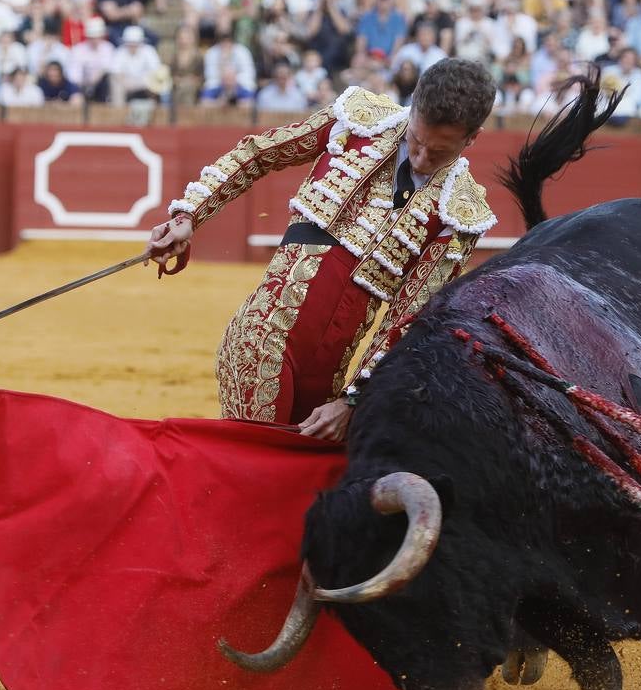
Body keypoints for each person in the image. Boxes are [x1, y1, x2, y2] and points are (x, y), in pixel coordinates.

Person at [146, 58, 498, 439]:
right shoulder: (358, 120)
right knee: (255, 467)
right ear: (412, 106)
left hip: (332, 376)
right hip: (263, 339)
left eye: (440, 152)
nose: (421, 158)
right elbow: (258, 153)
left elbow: (407, 318)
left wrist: (353, 400)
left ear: (472, 138)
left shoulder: (460, 210)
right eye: (416, 140)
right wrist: (189, 215)